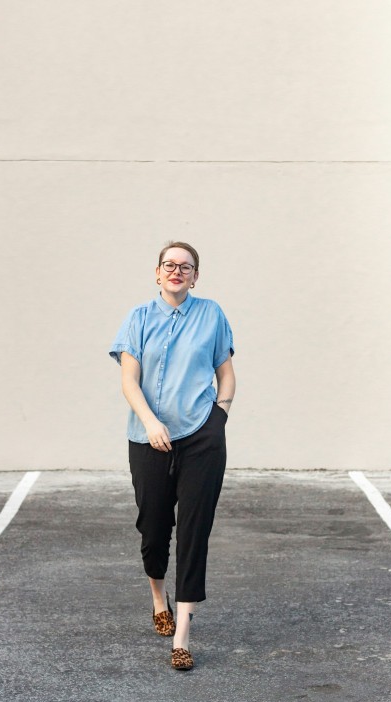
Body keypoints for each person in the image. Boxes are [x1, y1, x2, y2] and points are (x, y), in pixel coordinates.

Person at [109, 241, 235, 671]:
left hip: (202, 437)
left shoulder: (212, 314)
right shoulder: (138, 318)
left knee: (194, 532)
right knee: (153, 527)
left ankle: (182, 635)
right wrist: (149, 422)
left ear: (195, 276)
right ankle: (158, 598)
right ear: (157, 273)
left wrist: (219, 416)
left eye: (186, 266)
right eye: (170, 265)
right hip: (149, 439)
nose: (177, 271)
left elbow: (226, 372)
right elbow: (129, 380)